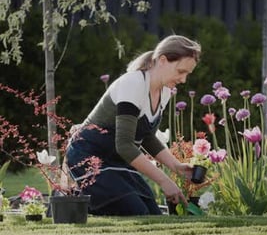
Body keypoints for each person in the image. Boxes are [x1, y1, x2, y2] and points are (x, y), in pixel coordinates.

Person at [65, 35, 201, 216]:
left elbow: (146, 136)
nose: (183, 80)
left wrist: (176, 166)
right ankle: (74, 198)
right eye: (180, 71)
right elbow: (125, 145)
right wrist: (164, 181)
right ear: (162, 60)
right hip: (88, 158)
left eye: (187, 74)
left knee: (152, 215)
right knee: (136, 212)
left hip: (117, 162)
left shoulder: (165, 92)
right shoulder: (134, 83)